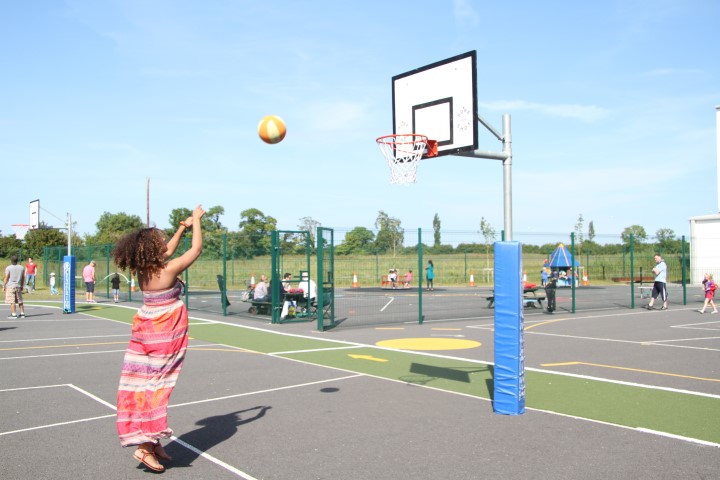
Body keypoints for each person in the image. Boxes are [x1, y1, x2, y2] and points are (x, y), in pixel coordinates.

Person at [112, 204, 205, 473]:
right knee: (157, 388)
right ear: (153, 248)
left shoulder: (145, 268)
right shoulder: (167, 270)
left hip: (144, 330)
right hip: (163, 332)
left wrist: (183, 227)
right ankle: (145, 446)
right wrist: (197, 221)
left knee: (142, 385)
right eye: (159, 240)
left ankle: (153, 442)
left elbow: (169, 250)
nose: (164, 242)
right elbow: (195, 250)